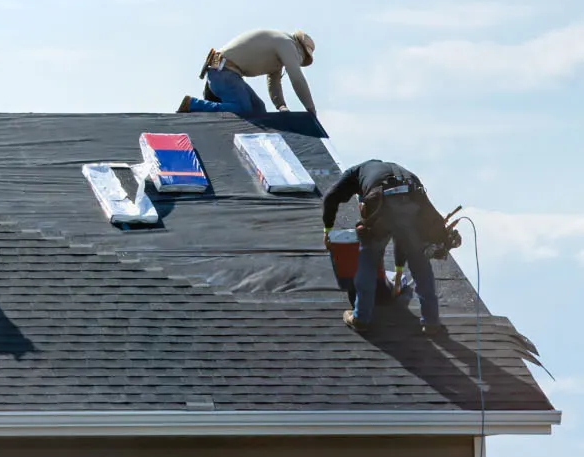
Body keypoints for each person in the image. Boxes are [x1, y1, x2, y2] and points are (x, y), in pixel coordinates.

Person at [322, 158, 446, 334]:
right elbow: (402, 236)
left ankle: (361, 318)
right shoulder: (398, 171)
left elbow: (330, 197)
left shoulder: (353, 174)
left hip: (382, 202)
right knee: (419, 260)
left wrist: (327, 230)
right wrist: (399, 271)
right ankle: (432, 322)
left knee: (368, 256)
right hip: (413, 199)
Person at [179, 28, 317, 116]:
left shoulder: (280, 45)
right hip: (223, 72)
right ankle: (193, 105)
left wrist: (281, 106)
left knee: (259, 111)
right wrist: (311, 110)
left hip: (225, 72)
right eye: (302, 59)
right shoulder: (287, 44)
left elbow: (273, 80)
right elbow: (297, 78)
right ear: (300, 49)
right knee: (243, 110)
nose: (299, 62)